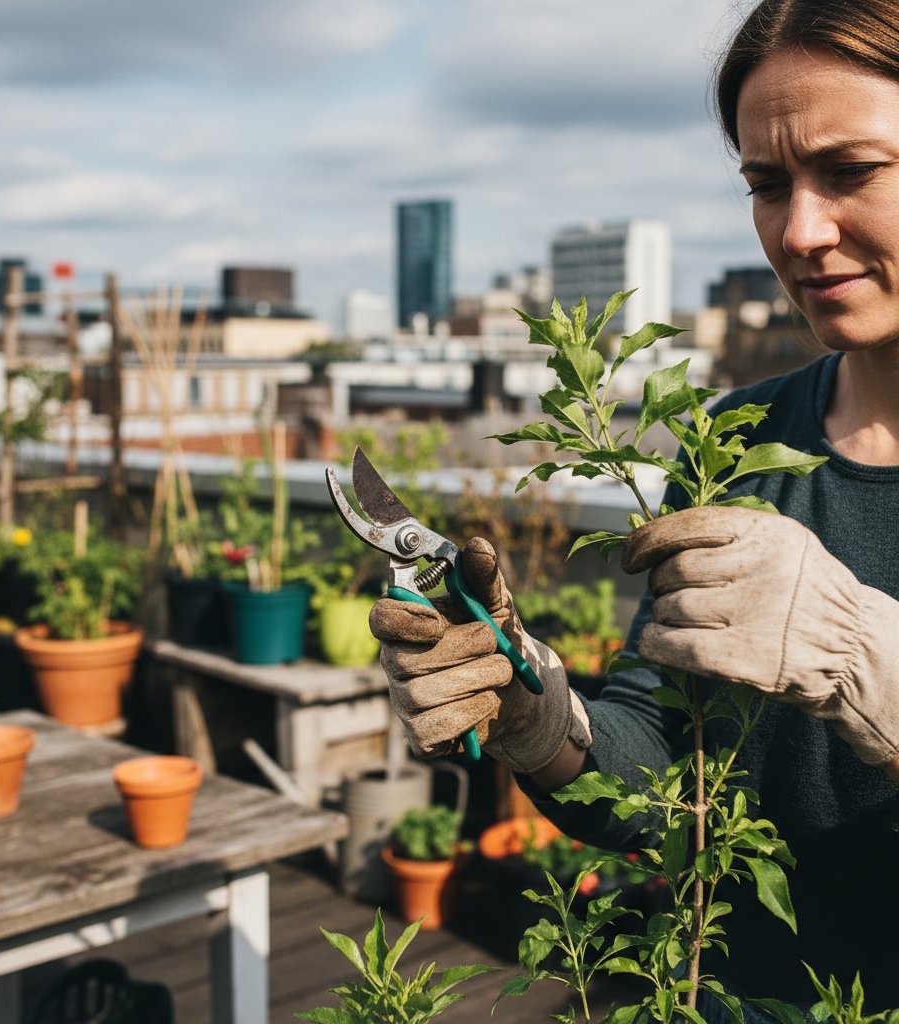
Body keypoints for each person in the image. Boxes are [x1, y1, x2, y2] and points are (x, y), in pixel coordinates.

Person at [368, 0, 899, 1012]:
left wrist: (865, 656)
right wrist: (536, 714)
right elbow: (660, 774)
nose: (800, 230)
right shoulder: (734, 442)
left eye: (850, 170)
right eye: (766, 185)